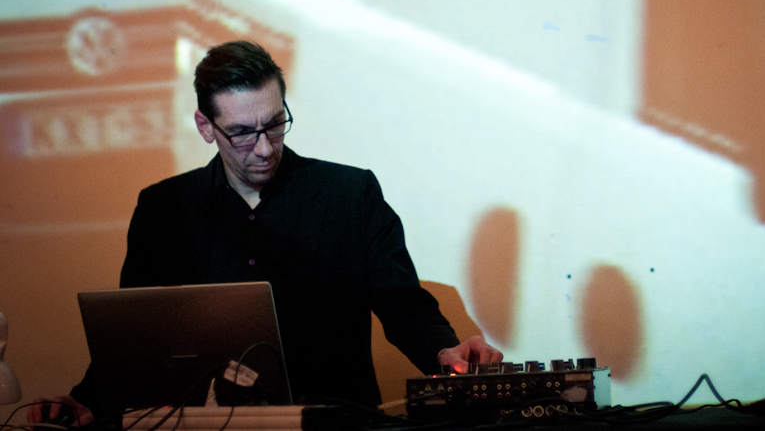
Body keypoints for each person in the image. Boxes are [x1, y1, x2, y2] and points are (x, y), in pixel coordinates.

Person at [29, 40, 501, 425]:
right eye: (241, 132)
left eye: (275, 125)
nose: (264, 149)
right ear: (205, 127)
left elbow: (403, 303)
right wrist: (84, 400)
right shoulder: (164, 209)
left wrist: (444, 351)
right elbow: (135, 334)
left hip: (334, 423)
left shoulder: (350, 194)